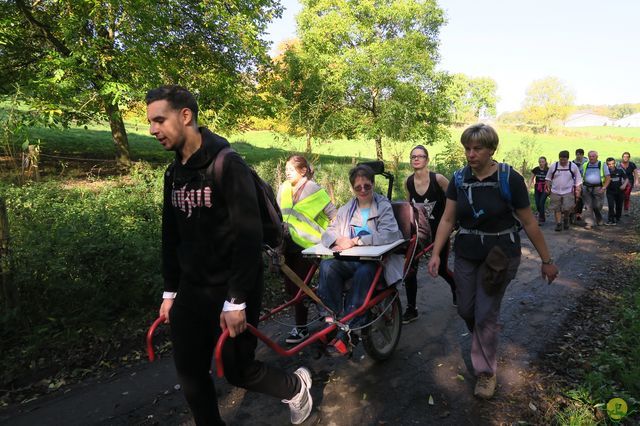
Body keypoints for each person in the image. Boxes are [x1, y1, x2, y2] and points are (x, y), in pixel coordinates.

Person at [147, 86, 312, 425]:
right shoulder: (174, 173)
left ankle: (296, 387)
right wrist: (170, 290)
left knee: (238, 371)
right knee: (191, 374)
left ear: (186, 116)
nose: (152, 130)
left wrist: (236, 300)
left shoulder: (227, 164)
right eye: (150, 122)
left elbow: (248, 238)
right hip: (192, 289)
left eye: (159, 120)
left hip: (231, 289)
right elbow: (171, 235)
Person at [427, 124, 558, 400]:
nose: (470, 154)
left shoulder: (509, 179)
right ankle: (483, 337)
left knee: (485, 313)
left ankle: (486, 372)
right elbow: (448, 219)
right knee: (466, 309)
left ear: (491, 150)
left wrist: (546, 260)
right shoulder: (459, 178)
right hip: (466, 252)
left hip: (500, 256)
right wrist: (436, 253)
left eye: (477, 149)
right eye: (467, 148)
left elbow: (529, 221)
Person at [317, 164, 403, 354]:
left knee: (364, 273)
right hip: (352, 261)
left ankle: (350, 328)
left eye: (367, 186)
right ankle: (330, 319)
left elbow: (391, 234)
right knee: (327, 266)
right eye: (358, 187)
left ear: (373, 184)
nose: (363, 190)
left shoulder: (383, 206)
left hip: (376, 263)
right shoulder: (347, 209)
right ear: (352, 189)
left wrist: (357, 241)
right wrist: (337, 240)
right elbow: (328, 233)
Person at [277, 155, 337, 344]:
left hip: (308, 247)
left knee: (298, 289)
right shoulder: (284, 189)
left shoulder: (315, 190)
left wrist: (330, 239)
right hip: (286, 245)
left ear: (303, 171)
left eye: (291, 169)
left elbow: (334, 215)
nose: (287, 173)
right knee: (290, 288)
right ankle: (321, 303)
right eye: (286, 169)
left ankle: (301, 328)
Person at [403, 145, 456, 324]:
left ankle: (457, 289)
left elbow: (454, 201)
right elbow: (407, 208)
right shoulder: (408, 182)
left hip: (439, 233)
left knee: (441, 269)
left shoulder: (439, 179)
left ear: (427, 159)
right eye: (413, 157)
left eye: (420, 156)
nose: (416, 159)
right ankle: (411, 309)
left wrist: (454, 223)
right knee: (410, 270)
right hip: (418, 234)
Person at [545, 151, 583, 232]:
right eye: (561, 160)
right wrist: (547, 187)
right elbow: (548, 178)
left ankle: (566, 218)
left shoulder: (573, 166)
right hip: (555, 191)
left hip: (568, 191)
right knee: (557, 208)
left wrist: (578, 190)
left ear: (568, 159)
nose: (562, 162)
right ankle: (558, 224)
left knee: (567, 208)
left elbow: (578, 180)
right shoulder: (554, 166)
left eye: (564, 160)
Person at [581, 150, 611, 230]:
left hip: (598, 188)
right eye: (590, 156)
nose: (591, 158)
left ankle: (599, 218)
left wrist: (604, 187)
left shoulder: (602, 165)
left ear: (597, 157)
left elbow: (608, 177)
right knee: (588, 206)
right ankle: (589, 223)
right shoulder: (585, 165)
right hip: (586, 188)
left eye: (593, 156)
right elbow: (580, 176)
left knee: (597, 206)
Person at [604, 157, 628, 225]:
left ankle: (617, 218)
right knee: (611, 206)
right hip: (610, 192)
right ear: (607, 164)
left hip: (619, 192)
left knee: (619, 206)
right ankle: (610, 220)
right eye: (609, 164)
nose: (611, 165)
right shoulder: (606, 172)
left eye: (612, 164)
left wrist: (624, 185)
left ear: (615, 163)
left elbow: (626, 179)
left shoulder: (620, 171)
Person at [529, 156, 550, 225]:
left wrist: (550, 188)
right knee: (537, 203)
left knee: (541, 202)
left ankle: (540, 218)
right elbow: (531, 178)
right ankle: (542, 216)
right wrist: (528, 187)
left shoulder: (548, 170)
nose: (541, 163)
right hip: (537, 187)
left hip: (545, 187)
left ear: (545, 162)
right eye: (540, 162)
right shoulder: (536, 169)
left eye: (542, 162)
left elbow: (551, 180)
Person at [619, 152, 638, 216]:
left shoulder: (632, 164)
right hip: (620, 182)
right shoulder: (618, 165)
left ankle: (626, 210)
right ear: (622, 157)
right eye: (624, 156)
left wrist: (636, 181)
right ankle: (618, 209)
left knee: (627, 196)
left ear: (629, 158)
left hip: (629, 182)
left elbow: (635, 173)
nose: (625, 158)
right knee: (619, 196)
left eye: (627, 157)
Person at [572, 149, 588, 221]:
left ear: (582, 155)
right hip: (574, 183)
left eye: (580, 154)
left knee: (581, 198)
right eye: (577, 154)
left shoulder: (587, 163)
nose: (578, 156)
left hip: (584, 183)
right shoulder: (572, 163)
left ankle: (579, 213)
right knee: (574, 198)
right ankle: (573, 213)